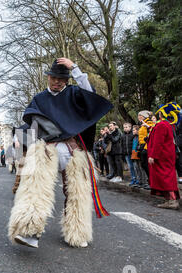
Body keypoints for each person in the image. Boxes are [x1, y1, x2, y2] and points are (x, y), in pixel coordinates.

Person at [8, 57, 112, 249]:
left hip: (73, 149)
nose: (57, 82)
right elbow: (33, 123)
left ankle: (77, 232)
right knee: (35, 188)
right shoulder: (39, 99)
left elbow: (91, 94)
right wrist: (19, 136)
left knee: (77, 193)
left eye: (61, 79)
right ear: (48, 77)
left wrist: (75, 69)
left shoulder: (74, 93)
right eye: (54, 78)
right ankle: (29, 230)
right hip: (46, 148)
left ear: (66, 80)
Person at [147, 102, 181, 209]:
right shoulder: (169, 124)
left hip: (162, 156)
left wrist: (153, 155)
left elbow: (158, 142)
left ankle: (172, 201)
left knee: (165, 177)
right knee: (167, 177)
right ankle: (170, 200)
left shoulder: (162, 124)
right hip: (167, 155)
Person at [138, 110, 155, 189]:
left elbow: (152, 131)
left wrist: (147, 126)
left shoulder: (149, 122)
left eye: (140, 115)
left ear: (144, 116)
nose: (138, 117)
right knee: (144, 164)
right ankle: (150, 181)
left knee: (147, 165)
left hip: (147, 146)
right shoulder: (142, 124)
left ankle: (152, 182)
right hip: (142, 146)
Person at [131, 124, 148, 189]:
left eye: (134, 130)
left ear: (138, 130)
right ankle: (139, 181)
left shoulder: (139, 137)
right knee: (136, 168)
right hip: (134, 154)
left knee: (142, 168)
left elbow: (140, 146)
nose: (133, 131)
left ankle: (145, 182)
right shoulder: (134, 137)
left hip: (139, 154)